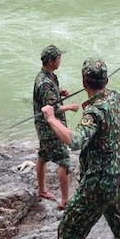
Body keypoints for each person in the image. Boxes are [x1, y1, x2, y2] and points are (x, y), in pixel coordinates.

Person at [42, 58, 120, 239]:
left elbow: (75, 141)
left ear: (84, 81)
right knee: (116, 213)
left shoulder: (93, 112)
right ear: (107, 80)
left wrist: (51, 118)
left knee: (69, 230)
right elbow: (114, 96)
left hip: (99, 182)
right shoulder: (116, 98)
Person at [34, 44, 79, 209]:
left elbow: (49, 97)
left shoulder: (48, 77)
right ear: (51, 61)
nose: (60, 60)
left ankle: (42, 191)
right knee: (64, 161)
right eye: (59, 58)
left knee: (43, 155)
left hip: (43, 127)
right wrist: (70, 106)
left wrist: (60, 93)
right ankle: (66, 200)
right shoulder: (45, 82)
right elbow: (51, 109)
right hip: (50, 128)